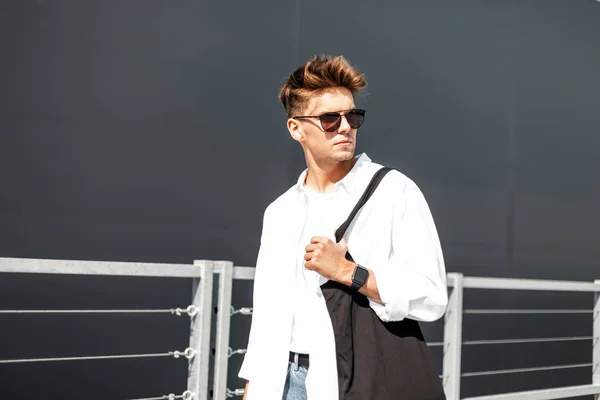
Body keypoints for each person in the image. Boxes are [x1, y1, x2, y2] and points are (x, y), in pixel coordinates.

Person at [239, 55, 448, 400]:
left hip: (353, 381)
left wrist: (349, 271)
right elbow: (267, 315)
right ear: (296, 128)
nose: (346, 127)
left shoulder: (394, 191)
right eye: (329, 119)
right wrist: (253, 389)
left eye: (352, 116)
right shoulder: (280, 211)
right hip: (282, 382)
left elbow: (431, 296)